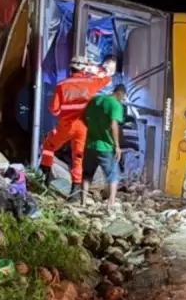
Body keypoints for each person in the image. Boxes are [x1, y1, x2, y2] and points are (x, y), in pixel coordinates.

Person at [39, 55, 116, 200]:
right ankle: (75, 193)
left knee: (48, 146)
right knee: (78, 158)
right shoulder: (90, 83)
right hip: (83, 127)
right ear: (84, 68)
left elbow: (54, 110)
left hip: (65, 126)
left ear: (70, 68)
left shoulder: (61, 85)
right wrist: (97, 68)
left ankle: (44, 177)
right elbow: (107, 78)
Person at [81, 83, 127, 212]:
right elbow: (114, 125)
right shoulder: (115, 105)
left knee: (87, 175)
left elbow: (84, 118)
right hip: (105, 147)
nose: (122, 100)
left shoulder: (95, 99)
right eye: (122, 97)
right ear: (119, 93)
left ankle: (83, 203)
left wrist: (92, 130)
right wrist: (117, 146)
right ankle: (110, 205)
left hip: (90, 144)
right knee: (113, 175)